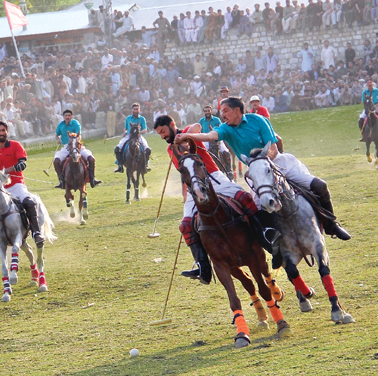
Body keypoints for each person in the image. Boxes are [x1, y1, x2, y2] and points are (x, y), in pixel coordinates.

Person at [174, 96, 351, 247]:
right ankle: (273, 243)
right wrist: (188, 137)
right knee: (257, 208)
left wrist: (264, 161)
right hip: (256, 171)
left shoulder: (258, 120)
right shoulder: (226, 129)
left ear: (237, 110)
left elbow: (273, 148)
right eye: (222, 111)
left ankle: (331, 225)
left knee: (319, 185)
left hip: (279, 162)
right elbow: (209, 136)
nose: (223, 114)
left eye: (226, 110)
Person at [154, 114, 263, 284]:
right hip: (194, 187)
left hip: (214, 178)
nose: (162, 136)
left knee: (245, 198)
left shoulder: (191, 135)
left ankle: (265, 235)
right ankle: (203, 267)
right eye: (159, 134)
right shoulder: (171, 150)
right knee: (185, 226)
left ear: (172, 124)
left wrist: (185, 137)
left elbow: (197, 125)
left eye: (163, 131)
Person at [0, 120, 44, 257]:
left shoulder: (15, 145)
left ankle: (36, 232)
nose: (1, 133)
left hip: (17, 184)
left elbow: (22, 164)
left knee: (29, 202)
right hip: (0, 189)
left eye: (3, 131)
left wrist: (7, 170)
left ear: (7, 132)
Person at [52, 109, 102, 189]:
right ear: (63, 117)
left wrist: (75, 140)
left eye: (69, 115)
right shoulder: (61, 125)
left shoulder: (76, 124)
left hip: (77, 146)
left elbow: (79, 135)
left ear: (72, 116)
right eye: (66, 116)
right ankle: (61, 181)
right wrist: (58, 140)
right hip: (66, 147)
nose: (67, 117)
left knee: (91, 159)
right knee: (56, 161)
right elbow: (57, 135)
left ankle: (93, 179)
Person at [114, 102, 151, 173]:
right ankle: (120, 165)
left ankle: (145, 165)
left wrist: (139, 133)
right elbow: (125, 128)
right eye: (135, 109)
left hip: (139, 136)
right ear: (132, 110)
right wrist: (125, 132)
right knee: (117, 148)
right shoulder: (128, 118)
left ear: (139, 110)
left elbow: (145, 129)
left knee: (147, 149)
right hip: (129, 136)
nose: (136, 110)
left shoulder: (142, 119)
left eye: (137, 109)